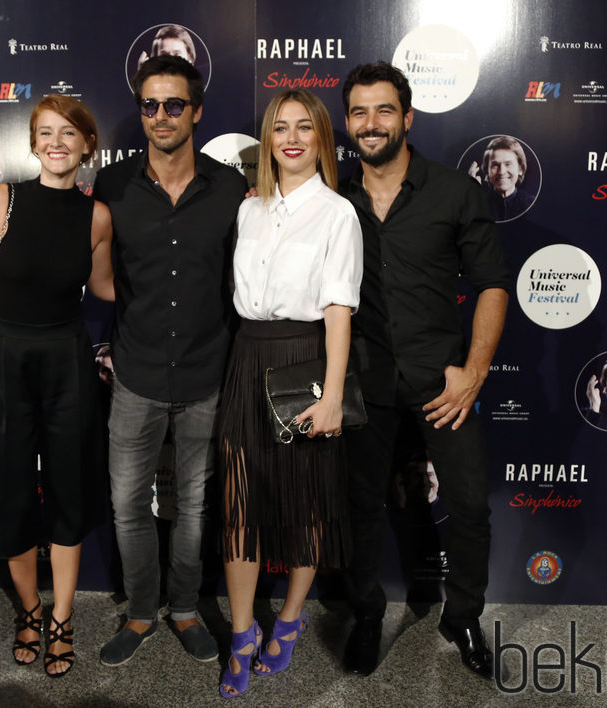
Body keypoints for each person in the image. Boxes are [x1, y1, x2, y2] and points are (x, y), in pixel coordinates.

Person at [339, 62, 510, 680]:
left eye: (384, 110)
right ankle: (364, 614)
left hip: (443, 382)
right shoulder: (331, 196)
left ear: (407, 117)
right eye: (359, 112)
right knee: (358, 507)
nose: (371, 123)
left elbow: (492, 284)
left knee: (469, 504)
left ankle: (461, 616)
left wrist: (474, 372)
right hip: (360, 380)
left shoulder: (454, 192)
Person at [93, 55, 246, 667]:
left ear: (196, 111)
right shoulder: (112, 187)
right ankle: (139, 611)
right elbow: (83, 266)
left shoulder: (231, 188)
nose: (160, 116)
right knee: (129, 503)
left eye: (174, 104)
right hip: (135, 373)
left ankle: (184, 608)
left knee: (193, 505)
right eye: (150, 105)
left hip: (210, 373)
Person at [0, 94, 113, 677]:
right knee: (10, 491)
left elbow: (103, 288)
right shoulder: (2, 200)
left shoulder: (96, 216)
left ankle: (63, 617)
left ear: (86, 145)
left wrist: (183, 284)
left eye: (68, 133)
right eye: (45, 132)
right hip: (2, 358)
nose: (56, 142)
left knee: (70, 491)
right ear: (32, 142)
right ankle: (28, 610)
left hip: (67, 358)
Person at [217, 89, 362, 698]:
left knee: (304, 501)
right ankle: (243, 632)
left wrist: (331, 395)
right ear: (268, 140)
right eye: (281, 127)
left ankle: (292, 617)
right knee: (239, 503)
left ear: (322, 139)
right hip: (247, 358)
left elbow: (338, 310)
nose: (292, 138)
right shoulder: (249, 209)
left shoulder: (338, 213)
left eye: (305, 127)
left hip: (306, 358)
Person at [468, 136, 535, 221]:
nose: (501, 172)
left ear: (520, 169)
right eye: (495, 165)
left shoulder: (532, 204)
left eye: (508, 164)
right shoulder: (479, 203)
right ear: (487, 171)